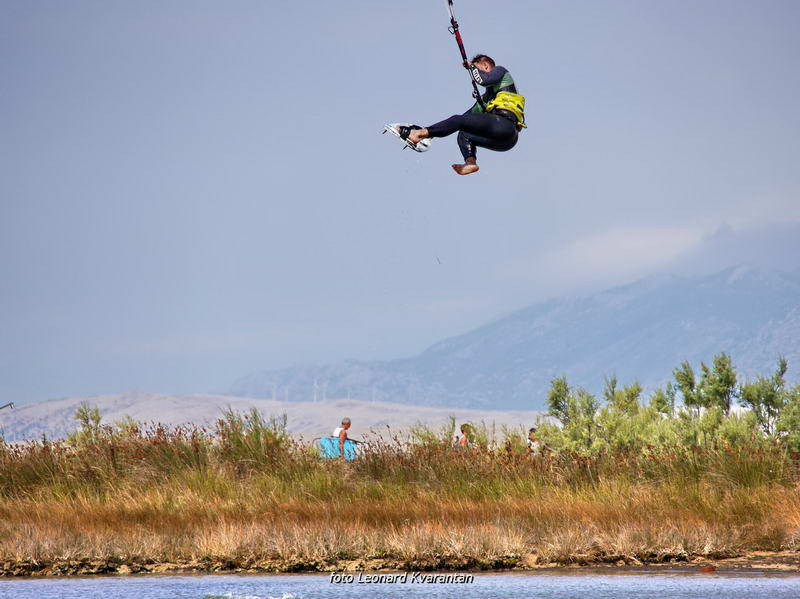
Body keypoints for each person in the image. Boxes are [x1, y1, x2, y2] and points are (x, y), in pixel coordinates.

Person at [399, 54, 525, 176]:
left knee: (458, 120)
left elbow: (484, 80)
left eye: (479, 68)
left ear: (486, 66)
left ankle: (419, 134)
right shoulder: (488, 99)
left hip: (505, 124)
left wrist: (472, 67)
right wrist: (432, 133)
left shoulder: (501, 71)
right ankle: (470, 163)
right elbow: (464, 119)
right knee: (464, 134)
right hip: (505, 141)